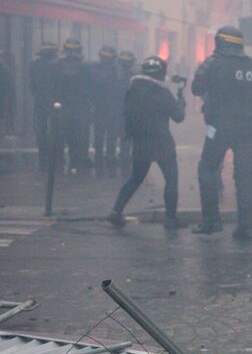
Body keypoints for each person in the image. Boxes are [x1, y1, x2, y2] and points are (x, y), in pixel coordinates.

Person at [192, 26, 252, 242]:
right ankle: (246, 227)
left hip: (218, 127)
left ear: (220, 42)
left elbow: (196, 89)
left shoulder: (213, 63)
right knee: (245, 178)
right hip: (247, 129)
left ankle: (211, 221)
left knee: (207, 169)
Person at [108, 56, 186, 229]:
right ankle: (171, 218)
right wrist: (181, 100)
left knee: (135, 178)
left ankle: (116, 211)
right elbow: (179, 117)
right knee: (171, 179)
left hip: (141, 142)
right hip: (162, 142)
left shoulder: (132, 90)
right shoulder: (162, 92)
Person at [51, 39, 96, 174]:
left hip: (78, 106)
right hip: (67, 106)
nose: (72, 54)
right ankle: (67, 159)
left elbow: (91, 88)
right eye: (70, 51)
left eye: (74, 51)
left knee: (78, 134)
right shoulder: (57, 67)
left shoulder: (85, 68)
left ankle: (76, 159)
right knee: (64, 134)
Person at [90, 46, 127, 177]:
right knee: (107, 134)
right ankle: (107, 157)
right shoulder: (117, 70)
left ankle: (101, 157)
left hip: (107, 107)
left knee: (104, 134)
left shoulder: (95, 70)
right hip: (107, 107)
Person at [28, 41, 59, 163]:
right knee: (54, 128)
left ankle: (43, 153)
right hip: (54, 101)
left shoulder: (34, 65)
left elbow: (32, 85)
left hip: (40, 100)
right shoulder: (57, 66)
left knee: (41, 128)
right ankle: (53, 153)